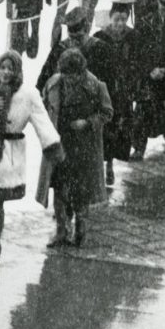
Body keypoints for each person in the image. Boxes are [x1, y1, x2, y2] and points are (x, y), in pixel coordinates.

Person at [0, 51, 63, 276]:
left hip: (9, 155)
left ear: (17, 70)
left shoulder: (28, 94)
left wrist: (52, 145)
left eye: (10, 68)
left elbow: (42, 121)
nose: (5, 72)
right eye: (2, 68)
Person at [37, 48, 113, 248]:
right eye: (66, 75)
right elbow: (43, 109)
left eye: (74, 76)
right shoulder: (53, 84)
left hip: (84, 147)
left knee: (81, 191)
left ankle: (80, 231)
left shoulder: (95, 85)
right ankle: (61, 232)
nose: (69, 80)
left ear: (81, 72)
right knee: (59, 189)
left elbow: (107, 112)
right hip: (59, 145)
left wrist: (87, 123)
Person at [93, 0, 140, 182]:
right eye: (116, 19)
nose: (120, 24)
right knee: (105, 127)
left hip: (124, 91)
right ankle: (103, 164)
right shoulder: (100, 37)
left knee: (120, 127)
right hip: (106, 90)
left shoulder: (133, 37)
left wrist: (132, 82)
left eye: (123, 19)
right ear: (110, 18)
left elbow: (138, 62)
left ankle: (111, 164)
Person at [131, 0, 165, 159]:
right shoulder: (145, 24)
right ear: (157, 3)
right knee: (143, 111)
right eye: (163, 5)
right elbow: (138, 52)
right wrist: (150, 70)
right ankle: (139, 148)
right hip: (149, 77)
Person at [36, 6, 113, 93]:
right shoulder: (59, 50)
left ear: (87, 29)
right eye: (71, 38)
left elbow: (111, 83)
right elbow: (42, 82)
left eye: (79, 38)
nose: (75, 42)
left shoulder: (100, 49)